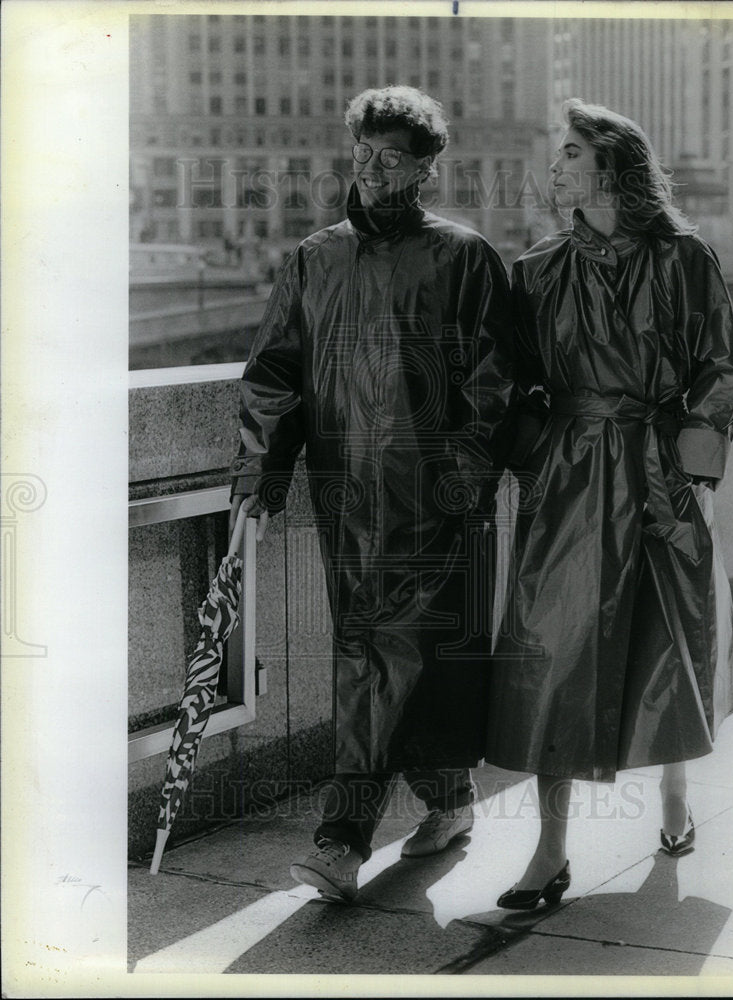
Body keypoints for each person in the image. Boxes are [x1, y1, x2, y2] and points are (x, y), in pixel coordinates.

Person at [229, 86, 514, 903]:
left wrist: (462, 477)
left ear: (426, 168)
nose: (370, 165)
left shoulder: (464, 257)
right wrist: (259, 473)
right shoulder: (317, 255)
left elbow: (497, 380)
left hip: (435, 500)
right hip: (345, 496)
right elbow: (274, 371)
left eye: (391, 154)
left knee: (389, 658)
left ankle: (339, 839)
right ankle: (451, 801)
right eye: (361, 150)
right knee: (382, 656)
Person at [487, 99, 733, 909]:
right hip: (568, 478)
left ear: (612, 165)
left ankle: (672, 790)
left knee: (661, 641)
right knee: (551, 652)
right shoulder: (534, 270)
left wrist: (692, 476)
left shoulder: (682, 258)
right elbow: (505, 380)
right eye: (555, 155)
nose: (555, 167)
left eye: (570, 153)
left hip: (655, 468)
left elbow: (718, 366)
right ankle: (550, 850)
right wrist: (529, 448)